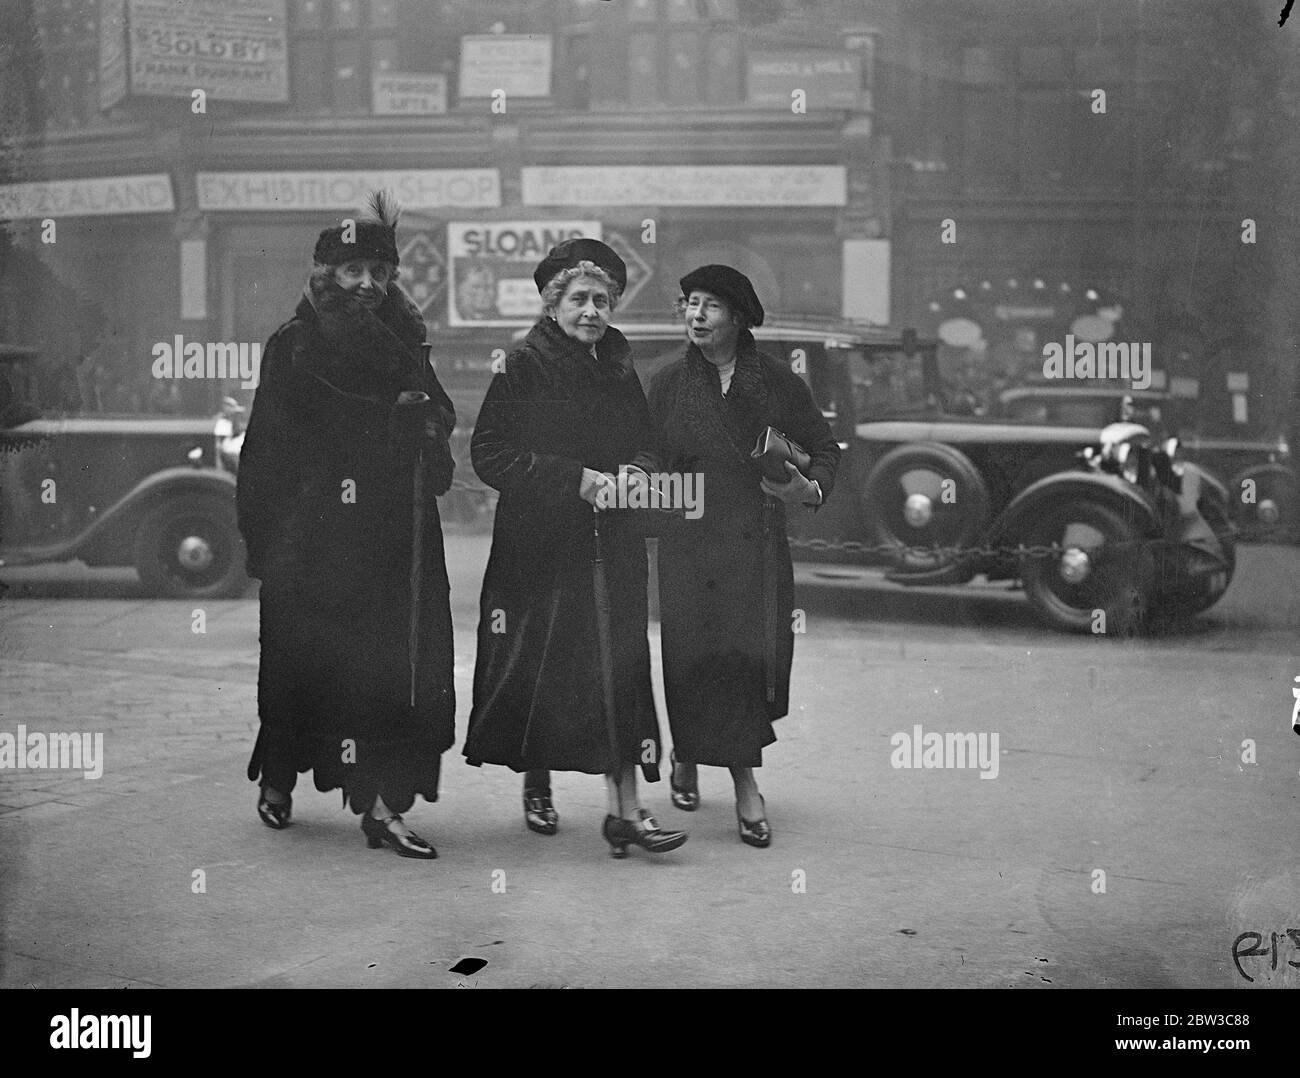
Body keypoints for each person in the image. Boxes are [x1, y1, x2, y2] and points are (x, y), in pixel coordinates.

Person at [237, 192, 457, 860]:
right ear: (326, 272)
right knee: (303, 666)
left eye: (380, 272)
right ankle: (280, 776)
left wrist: (423, 425)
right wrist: (266, 544)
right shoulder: (295, 344)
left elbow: (439, 416)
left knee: (392, 671)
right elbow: (268, 448)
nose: (368, 284)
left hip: (395, 537)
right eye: (354, 270)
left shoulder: (408, 338)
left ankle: (384, 807)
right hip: (313, 539)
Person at [465, 238, 687, 859]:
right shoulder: (523, 364)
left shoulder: (618, 365)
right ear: (553, 303)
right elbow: (488, 453)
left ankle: (628, 813)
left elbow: (646, 442)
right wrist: (576, 479)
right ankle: (537, 785)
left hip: (611, 539)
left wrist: (640, 471)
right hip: (539, 544)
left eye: (603, 300)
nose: (593, 310)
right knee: (541, 664)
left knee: (620, 666)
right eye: (580, 299)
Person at [645, 265, 840, 847]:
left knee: (745, 663)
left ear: (737, 316)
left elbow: (824, 448)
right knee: (689, 657)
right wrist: (650, 487)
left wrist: (810, 489)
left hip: (753, 546)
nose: (695, 315)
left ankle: (727, 771)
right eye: (689, 304)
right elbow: (648, 456)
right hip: (687, 546)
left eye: (709, 306)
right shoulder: (665, 382)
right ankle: (709, 765)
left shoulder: (778, 382)